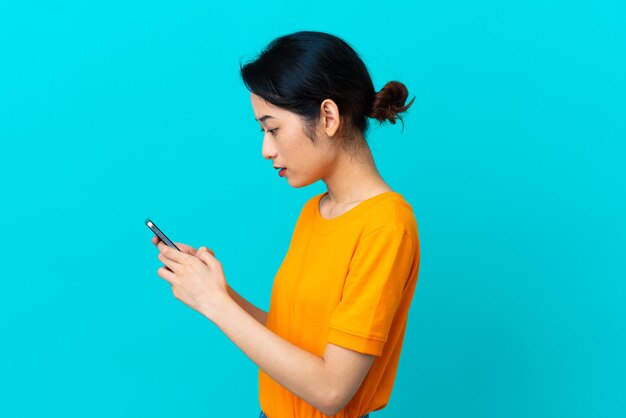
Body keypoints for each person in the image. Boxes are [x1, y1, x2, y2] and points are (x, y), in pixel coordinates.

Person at [152, 30, 420, 418]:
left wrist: (215, 305)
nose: (266, 149)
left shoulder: (386, 226)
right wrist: (217, 292)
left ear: (328, 117)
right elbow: (291, 340)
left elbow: (331, 391)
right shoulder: (316, 210)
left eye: (273, 128)